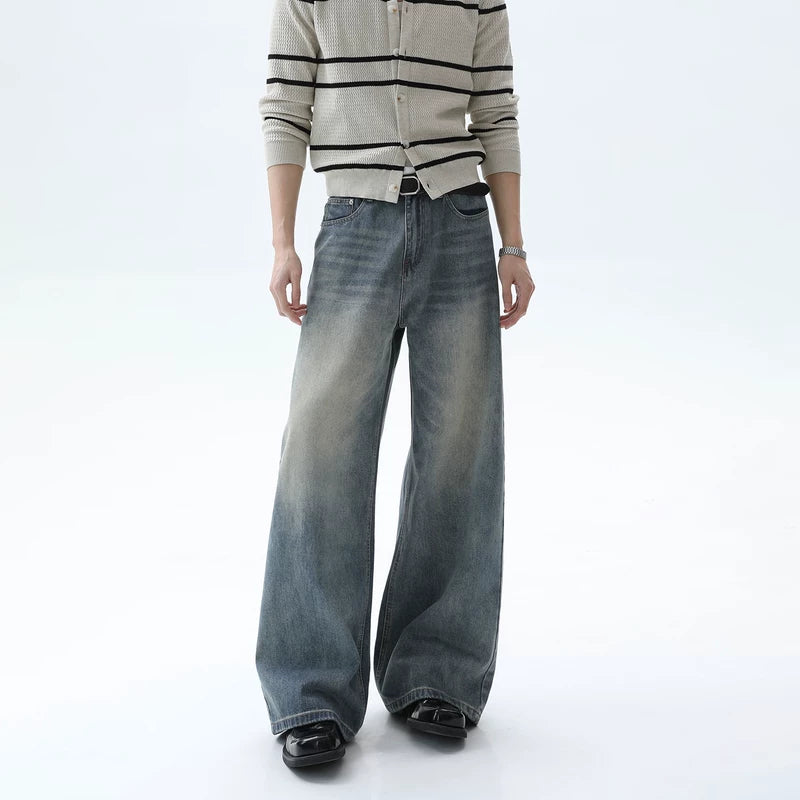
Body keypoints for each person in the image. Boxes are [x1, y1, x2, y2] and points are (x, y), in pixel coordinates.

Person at [254, 0, 535, 769]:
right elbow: (285, 104)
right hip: (353, 224)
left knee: (460, 456)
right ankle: (310, 691)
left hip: (460, 226)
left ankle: (436, 673)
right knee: (321, 455)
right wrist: (282, 242)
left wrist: (513, 245)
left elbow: (495, 108)